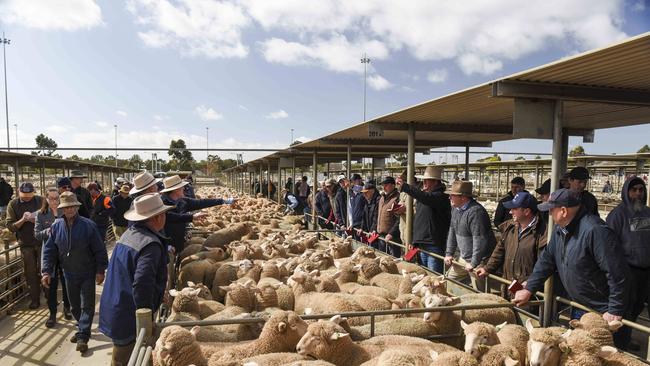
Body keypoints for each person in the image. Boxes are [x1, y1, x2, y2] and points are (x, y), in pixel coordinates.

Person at [512, 188, 630, 348]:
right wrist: (530, 287)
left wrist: (615, 309)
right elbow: (547, 259)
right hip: (579, 304)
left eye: (551, 210)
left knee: (603, 354)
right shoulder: (561, 229)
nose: (549, 214)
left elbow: (616, 272)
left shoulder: (595, 231)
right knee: (580, 352)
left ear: (563, 211)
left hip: (602, 310)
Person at [99, 193, 174, 365]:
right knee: (126, 357)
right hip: (128, 314)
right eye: (163, 214)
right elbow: (142, 284)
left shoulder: (129, 234)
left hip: (116, 304)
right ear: (157, 217)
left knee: (125, 354)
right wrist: (146, 318)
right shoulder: (150, 245)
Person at [41, 192, 108, 353]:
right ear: (62, 209)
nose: (70, 209)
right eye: (66, 207)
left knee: (87, 305)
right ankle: (81, 327)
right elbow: (49, 250)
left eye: (72, 206)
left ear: (77, 207)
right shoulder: (56, 227)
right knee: (74, 306)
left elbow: (99, 249)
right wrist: (46, 271)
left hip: (87, 271)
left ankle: (83, 336)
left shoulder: (88, 225)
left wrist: (100, 270)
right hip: (68, 272)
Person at [476, 191, 547, 298]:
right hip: (508, 284)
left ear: (527, 211)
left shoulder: (541, 233)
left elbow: (543, 264)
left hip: (527, 290)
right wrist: (487, 268)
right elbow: (499, 251)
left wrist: (530, 284)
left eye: (514, 209)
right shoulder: (511, 227)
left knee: (525, 314)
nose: (510, 212)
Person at [606, 177, 650, 328]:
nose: (638, 193)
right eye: (634, 190)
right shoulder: (617, 215)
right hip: (627, 270)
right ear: (626, 192)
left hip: (645, 271)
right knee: (625, 309)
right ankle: (622, 341)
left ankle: (629, 334)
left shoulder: (647, 213)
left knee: (638, 306)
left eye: (641, 190)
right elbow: (609, 246)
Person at [160, 175, 236, 254]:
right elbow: (169, 216)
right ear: (176, 190)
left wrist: (224, 201)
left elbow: (201, 202)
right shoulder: (162, 203)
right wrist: (192, 217)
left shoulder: (182, 201)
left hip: (179, 240)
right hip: (166, 244)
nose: (184, 189)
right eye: (182, 187)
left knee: (178, 257)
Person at [397, 166, 451, 273]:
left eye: (427, 180)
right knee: (424, 274)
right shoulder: (426, 196)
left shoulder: (440, 197)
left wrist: (406, 187)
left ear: (435, 182)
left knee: (433, 276)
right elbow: (419, 219)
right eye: (423, 180)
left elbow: (427, 198)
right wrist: (415, 240)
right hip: (423, 242)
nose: (424, 183)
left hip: (433, 243)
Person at [444, 180, 496, 290]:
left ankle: (482, 306)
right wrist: (449, 253)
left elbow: (480, 240)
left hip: (479, 259)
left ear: (463, 197)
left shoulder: (476, 212)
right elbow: (452, 231)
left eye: (453, 195)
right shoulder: (455, 209)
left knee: (479, 289)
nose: (450, 198)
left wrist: (474, 262)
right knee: (449, 279)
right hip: (464, 256)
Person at [35, 188, 71, 327]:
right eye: (52, 198)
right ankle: (52, 313)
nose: (55, 201)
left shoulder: (66, 211)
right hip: (50, 253)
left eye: (57, 198)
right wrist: (50, 230)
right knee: (51, 284)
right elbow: (37, 234)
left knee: (67, 281)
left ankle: (68, 308)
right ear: (46, 199)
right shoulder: (41, 214)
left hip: (64, 251)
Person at [6, 182, 43, 308]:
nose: (27, 197)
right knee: (30, 273)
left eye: (29, 194)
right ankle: (35, 300)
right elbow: (10, 226)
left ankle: (50, 299)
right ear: (18, 192)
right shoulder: (13, 204)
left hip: (42, 242)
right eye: (24, 195)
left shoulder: (41, 200)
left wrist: (36, 219)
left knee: (46, 270)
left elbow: (51, 218)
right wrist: (23, 220)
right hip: (26, 243)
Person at [376, 176, 401, 257]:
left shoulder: (397, 197)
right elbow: (377, 214)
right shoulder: (382, 198)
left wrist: (391, 233)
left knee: (392, 261)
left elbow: (399, 219)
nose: (384, 187)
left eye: (386, 185)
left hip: (392, 238)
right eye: (383, 185)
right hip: (381, 235)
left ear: (393, 185)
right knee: (382, 259)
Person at [348, 174, 365, 238]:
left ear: (360, 180)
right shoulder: (351, 194)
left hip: (362, 224)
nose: (353, 183)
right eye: (352, 181)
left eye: (355, 180)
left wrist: (362, 226)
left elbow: (361, 189)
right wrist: (351, 223)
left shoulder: (364, 191)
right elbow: (350, 209)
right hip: (354, 224)